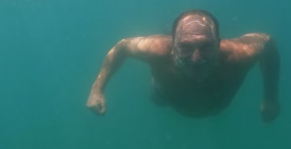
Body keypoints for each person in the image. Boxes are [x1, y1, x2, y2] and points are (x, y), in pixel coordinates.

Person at [86, 9, 280, 123]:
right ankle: (157, 81)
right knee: (157, 100)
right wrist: (97, 89)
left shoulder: (239, 55)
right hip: (164, 95)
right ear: (173, 46)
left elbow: (268, 43)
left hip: (212, 108)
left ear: (219, 43)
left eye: (206, 46)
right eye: (185, 47)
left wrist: (270, 97)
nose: (196, 59)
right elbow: (122, 47)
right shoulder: (158, 51)